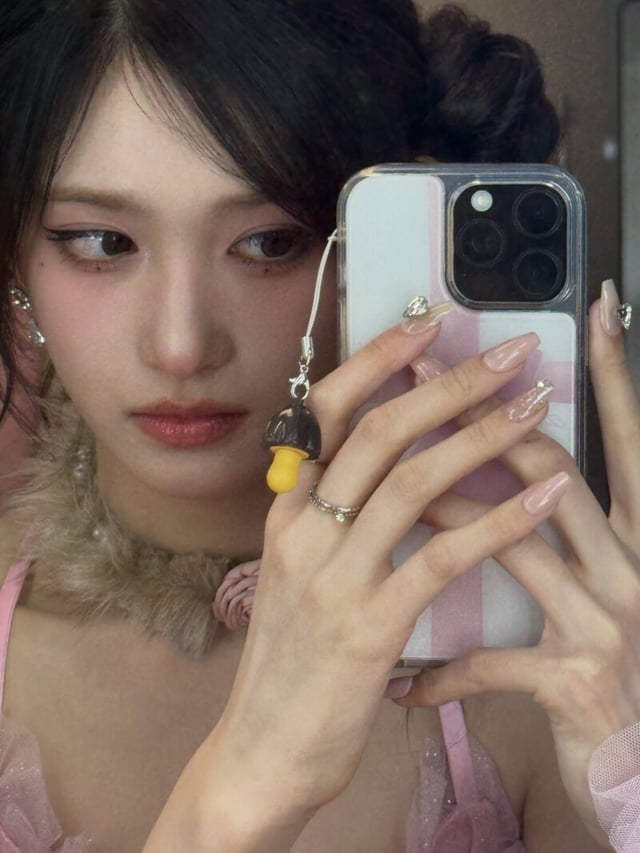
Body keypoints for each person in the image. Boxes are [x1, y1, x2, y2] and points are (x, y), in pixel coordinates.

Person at [0, 1, 638, 850]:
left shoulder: (537, 658)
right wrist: (240, 798)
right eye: (103, 241)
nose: (181, 345)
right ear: (15, 255)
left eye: (271, 243)